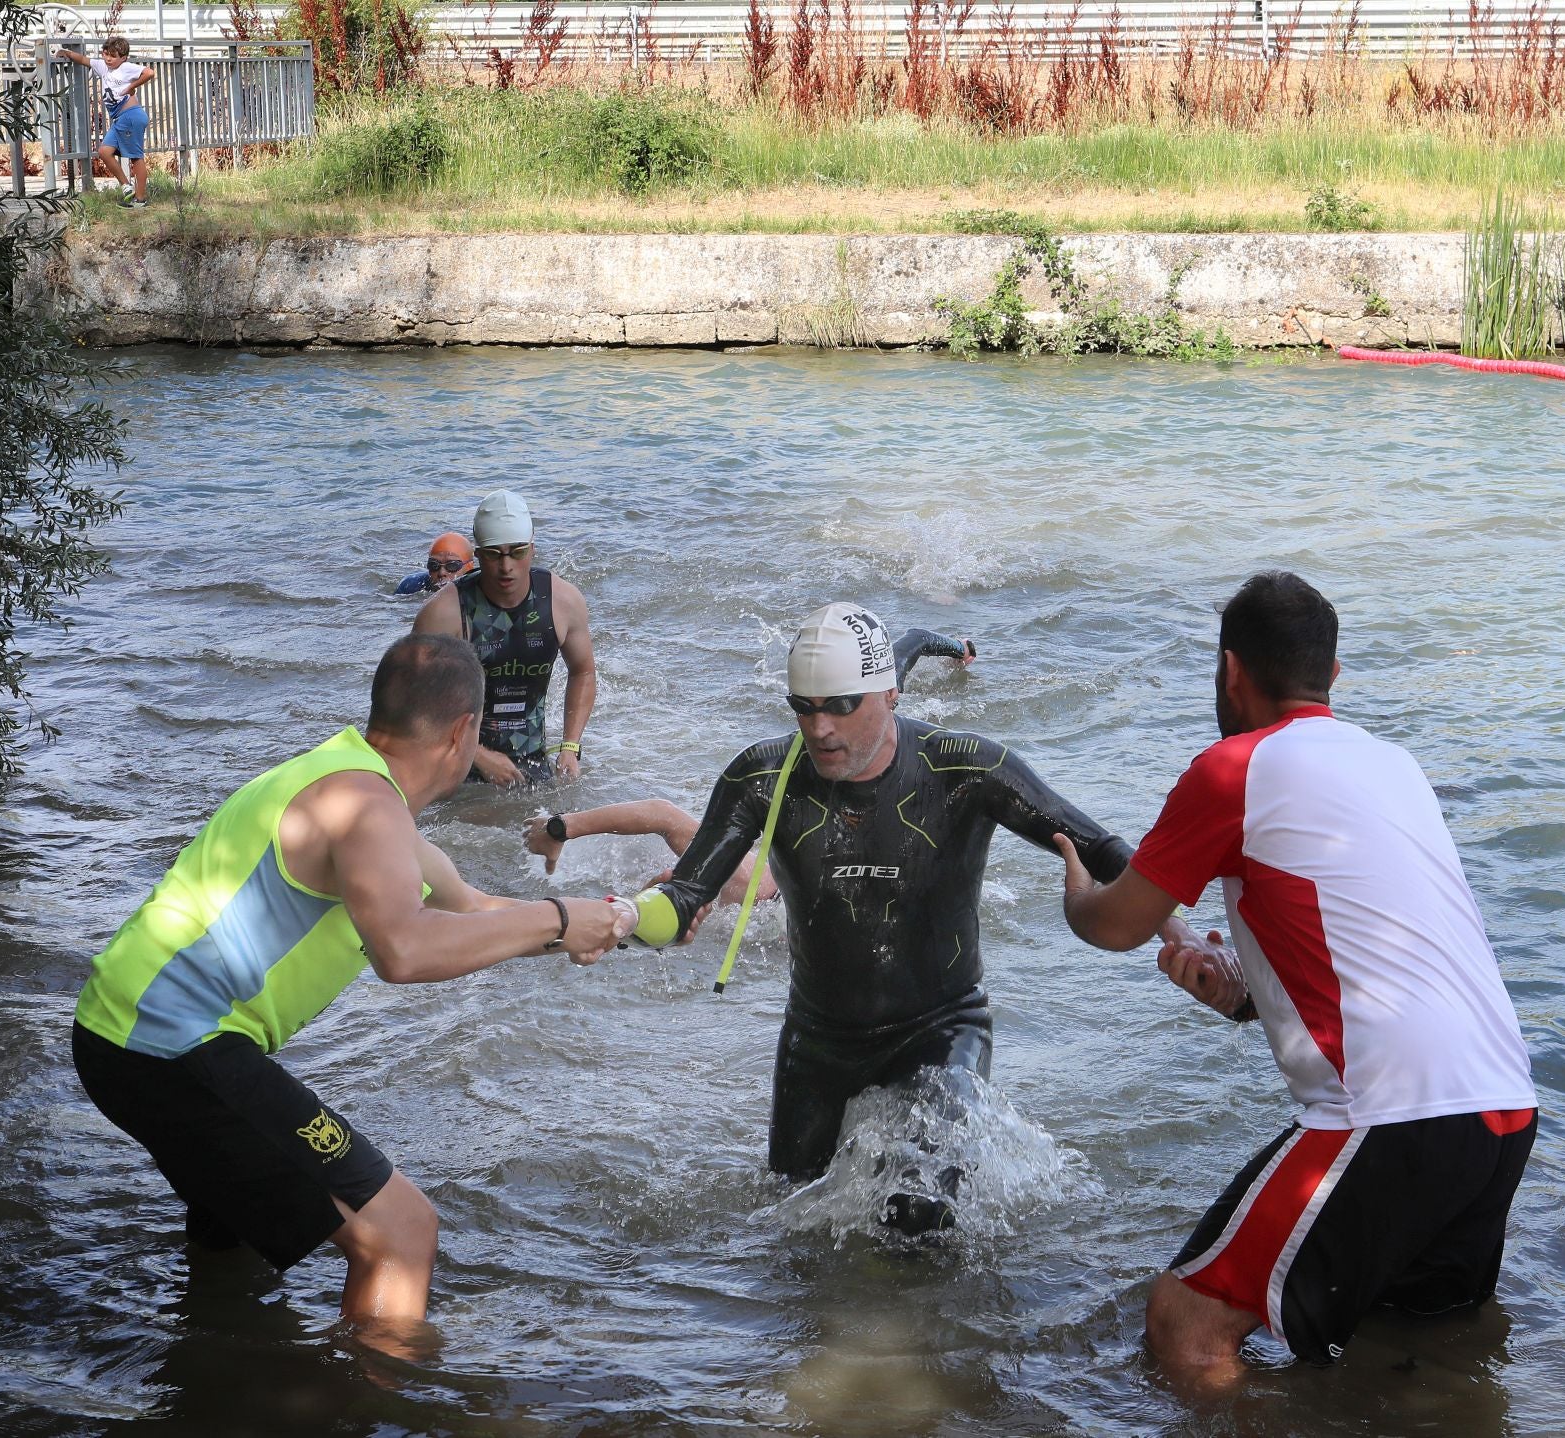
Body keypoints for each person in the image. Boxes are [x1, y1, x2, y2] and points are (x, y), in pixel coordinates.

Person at [69, 634, 633, 1353]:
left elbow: (476, 912)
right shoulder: (367, 808)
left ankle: (213, 1362)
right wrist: (556, 918)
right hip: (170, 1045)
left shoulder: (350, 783)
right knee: (402, 1230)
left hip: (125, 1032)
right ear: (463, 733)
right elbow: (404, 950)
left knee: (234, 1226)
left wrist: (615, 924)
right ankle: (371, 1400)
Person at [1054, 571, 1538, 1396]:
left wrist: (1073, 882)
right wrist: (1241, 996)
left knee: (1185, 1326)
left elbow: (1114, 924)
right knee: (1413, 1350)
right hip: (1503, 1106)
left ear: (1231, 672)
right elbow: (1376, 959)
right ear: (1333, 675)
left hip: (1391, 1112)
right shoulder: (1394, 766)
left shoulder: (1233, 769)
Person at [638, 603, 1130, 1234]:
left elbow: (1100, 846)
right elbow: (685, 893)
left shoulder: (962, 766)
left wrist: (1173, 923)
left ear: (890, 693)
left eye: (841, 706)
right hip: (819, 1039)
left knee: (919, 1213)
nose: (820, 728)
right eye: (803, 707)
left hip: (941, 1027)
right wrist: (627, 919)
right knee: (790, 1227)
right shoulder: (762, 775)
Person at [525, 625, 978, 903]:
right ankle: (955, 647)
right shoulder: (753, 886)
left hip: (858, 748)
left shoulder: (748, 884)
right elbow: (663, 819)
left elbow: (663, 817)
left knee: (907, 651)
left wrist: (561, 828)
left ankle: (958, 647)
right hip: (828, 785)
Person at [413, 489, 594, 787]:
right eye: (494, 554)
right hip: (457, 767)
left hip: (533, 760)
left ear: (532, 549)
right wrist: (478, 755)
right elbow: (412, 702)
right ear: (477, 555)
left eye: (517, 552)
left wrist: (570, 747)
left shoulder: (562, 602)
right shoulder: (443, 614)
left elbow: (583, 671)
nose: (506, 566)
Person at [55, 38, 155, 208]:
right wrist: (66, 53)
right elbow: (84, 60)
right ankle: (126, 186)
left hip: (130, 116)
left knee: (136, 157)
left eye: (113, 56)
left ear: (123, 58)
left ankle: (140, 199)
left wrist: (132, 87)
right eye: (106, 54)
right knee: (104, 151)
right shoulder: (103, 67)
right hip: (120, 119)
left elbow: (149, 73)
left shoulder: (126, 68)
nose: (108, 59)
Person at [393, 532, 475, 597]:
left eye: (452, 566)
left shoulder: (478, 590)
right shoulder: (410, 586)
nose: (441, 573)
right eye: (434, 565)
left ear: (470, 567)